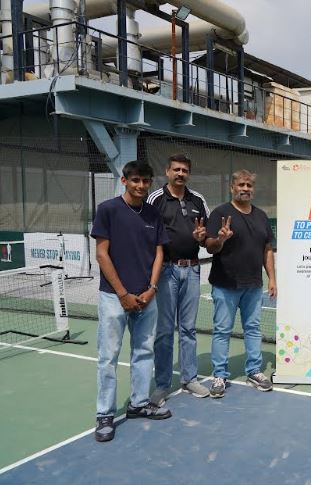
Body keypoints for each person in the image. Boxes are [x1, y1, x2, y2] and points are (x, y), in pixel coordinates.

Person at [91, 160, 170, 443]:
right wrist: (123, 294)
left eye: (145, 181)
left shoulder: (153, 213)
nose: (140, 185)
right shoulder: (108, 210)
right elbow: (102, 254)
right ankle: (104, 415)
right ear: (124, 181)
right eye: (135, 180)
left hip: (146, 297)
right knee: (108, 357)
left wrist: (151, 289)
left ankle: (138, 404)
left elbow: (159, 253)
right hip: (114, 297)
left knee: (143, 352)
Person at [147, 154, 211, 406]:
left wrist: (201, 237)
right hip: (166, 272)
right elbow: (146, 234)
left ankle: (189, 379)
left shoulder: (198, 200)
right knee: (164, 331)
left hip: (193, 271)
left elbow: (206, 237)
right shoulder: (155, 199)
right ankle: (162, 385)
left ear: (189, 174)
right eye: (176, 169)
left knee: (188, 329)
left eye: (185, 170)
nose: (180, 173)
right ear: (167, 171)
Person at [205, 169, 277, 398]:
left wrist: (272, 278)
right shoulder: (220, 213)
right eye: (241, 185)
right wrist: (221, 239)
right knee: (222, 331)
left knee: (253, 330)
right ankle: (219, 375)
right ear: (232, 188)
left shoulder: (261, 216)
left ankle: (254, 370)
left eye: (249, 185)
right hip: (225, 285)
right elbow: (210, 246)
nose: (245, 189)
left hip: (253, 286)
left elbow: (267, 249)